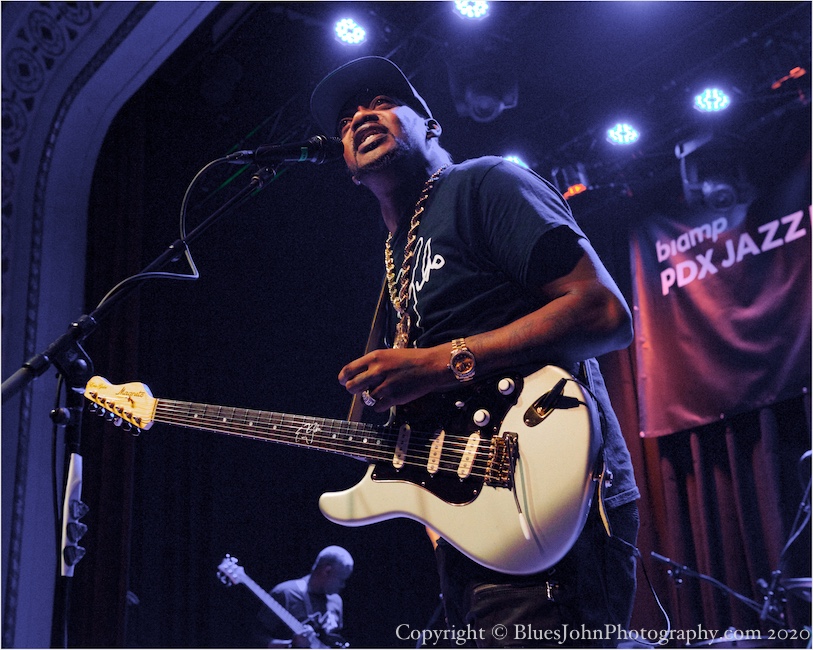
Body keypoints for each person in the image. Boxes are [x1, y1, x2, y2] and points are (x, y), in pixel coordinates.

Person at [309, 56, 640, 648]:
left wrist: (438, 363)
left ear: (430, 124)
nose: (360, 115)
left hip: (553, 502)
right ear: (347, 168)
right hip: (477, 526)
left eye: (380, 101)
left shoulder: (483, 183)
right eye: (345, 118)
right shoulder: (395, 264)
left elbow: (605, 313)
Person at [256, 546, 353, 649]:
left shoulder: (336, 601)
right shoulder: (285, 593)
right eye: (342, 579)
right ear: (327, 571)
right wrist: (290, 645)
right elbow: (256, 639)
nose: (343, 585)